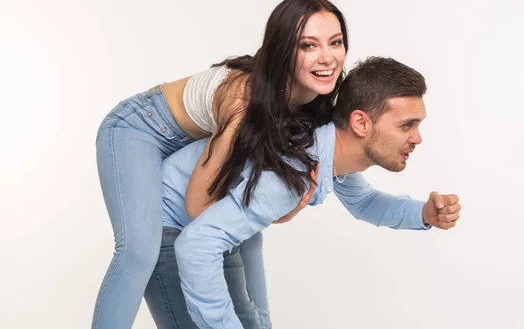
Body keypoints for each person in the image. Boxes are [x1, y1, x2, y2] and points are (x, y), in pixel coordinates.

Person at [92, 0, 349, 329]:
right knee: (139, 251)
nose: (328, 57)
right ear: (283, 51)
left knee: (248, 235)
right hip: (139, 128)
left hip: (193, 144)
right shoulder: (245, 104)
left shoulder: (315, 101)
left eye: (336, 42)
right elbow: (199, 207)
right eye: (309, 45)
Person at [155, 56, 462, 328]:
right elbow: (196, 246)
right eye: (407, 125)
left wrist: (423, 214)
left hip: (223, 227)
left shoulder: (332, 152)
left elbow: (365, 202)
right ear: (360, 123)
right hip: (169, 224)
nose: (418, 138)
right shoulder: (295, 172)